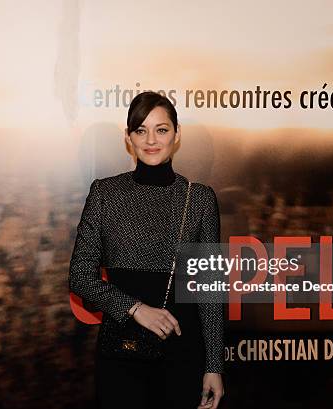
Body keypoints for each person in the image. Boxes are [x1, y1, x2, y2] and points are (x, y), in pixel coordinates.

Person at [69, 92, 225, 409]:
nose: (151, 140)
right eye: (141, 130)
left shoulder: (200, 200)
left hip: (182, 355)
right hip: (122, 356)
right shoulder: (105, 193)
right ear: (129, 138)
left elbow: (209, 292)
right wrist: (136, 308)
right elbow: (81, 278)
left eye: (161, 129)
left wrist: (214, 366)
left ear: (177, 135)